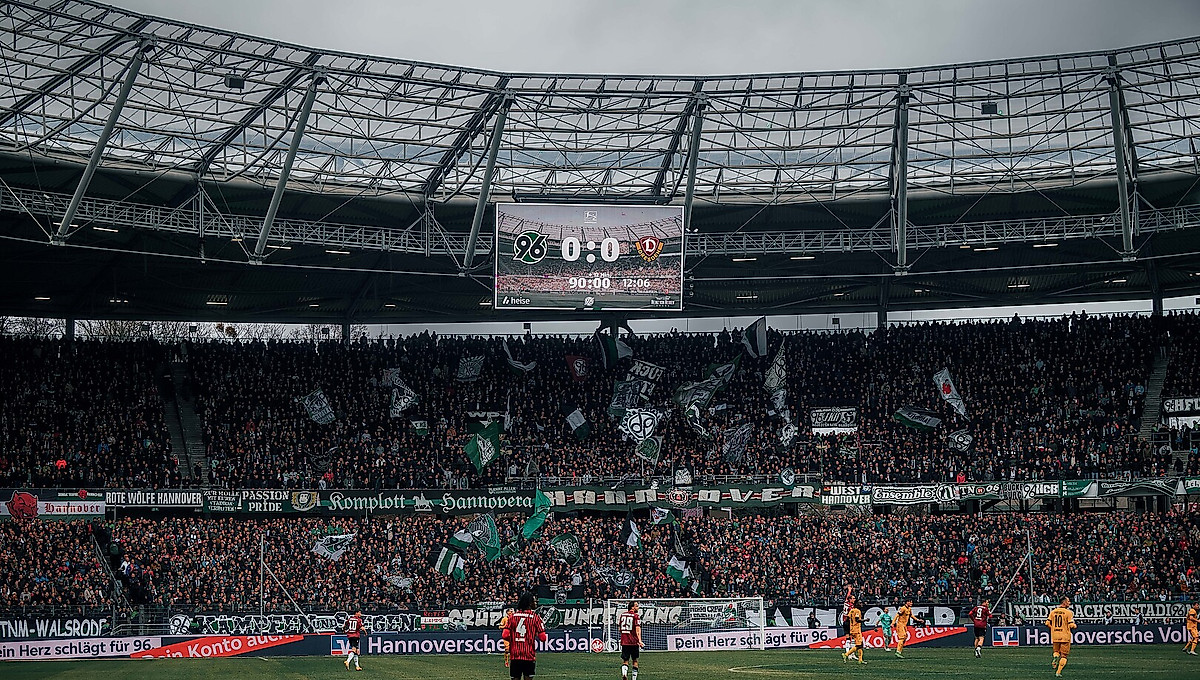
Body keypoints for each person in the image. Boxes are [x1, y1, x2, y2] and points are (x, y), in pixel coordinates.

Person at [502, 592, 547, 680]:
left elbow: (504, 635)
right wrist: (535, 633)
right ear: (530, 603)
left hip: (515, 655)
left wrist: (513, 640)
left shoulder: (512, 617)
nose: (535, 603)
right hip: (528, 655)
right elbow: (543, 638)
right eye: (534, 601)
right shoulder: (535, 618)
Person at [1044, 596, 1077, 677]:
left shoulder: (1053, 612)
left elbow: (1047, 623)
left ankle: (1055, 658)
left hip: (1055, 635)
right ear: (1064, 602)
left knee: (1056, 651)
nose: (1069, 603)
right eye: (1068, 601)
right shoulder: (1068, 612)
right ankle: (1058, 672)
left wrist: (1053, 628)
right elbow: (1071, 624)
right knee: (1064, 656)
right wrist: (1074, 626)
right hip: (1065, 636)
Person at [618, 601, 644, 680]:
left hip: (624, 641)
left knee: (625, 661)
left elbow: (620, 628)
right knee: (635, 660)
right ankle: (634, 678)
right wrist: (639, 640)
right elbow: (637, 629)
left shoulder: (622, 615)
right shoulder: (636, 616)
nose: (638, 607)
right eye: (636, 606)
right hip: (633, 642)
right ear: (632, 607)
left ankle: (624, 674)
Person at [841, 601, 865, 665]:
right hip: (856, 630)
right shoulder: (857, 611)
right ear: (857, 604)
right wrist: (865, 620)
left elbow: (848, 618)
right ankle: (846, 654)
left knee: (860, 645)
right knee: (859, 645)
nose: (861, 604)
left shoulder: (851, 611)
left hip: (852, 630)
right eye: (860, 603)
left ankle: (860, 660)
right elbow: (857, 619)